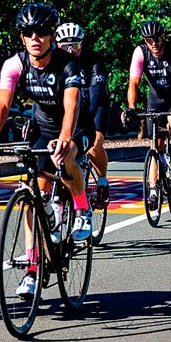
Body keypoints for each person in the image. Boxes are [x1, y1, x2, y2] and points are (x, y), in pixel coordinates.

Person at [0, 3, 95, 298]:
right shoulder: (15, 64)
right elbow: (3, 105)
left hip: (76, 126)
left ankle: (83, 208)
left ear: (51, 35)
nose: (35, 37)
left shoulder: (67, 64)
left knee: (67, 154)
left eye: (42, 32)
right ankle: (33, 269)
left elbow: (71, 105)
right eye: (28, 32)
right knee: (32, 193)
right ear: (22, 37)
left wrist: (65, 138)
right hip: (42, 128)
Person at [125, 20, 171, 209]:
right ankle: (153, 189)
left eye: (156, 39)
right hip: (155, 99)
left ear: (164, 37)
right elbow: (133, 82)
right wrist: (131, 108)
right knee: (155, 146)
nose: (153, 44)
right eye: (148, 40)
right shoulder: (141, 52)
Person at [55, 22, 111, 207]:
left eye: (76, 45)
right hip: (71, 105)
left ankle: (102, 181)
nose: (71, 51)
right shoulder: (55, 61)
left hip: (95, 103)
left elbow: (96, 92)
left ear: (82, 44)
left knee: (95, 145)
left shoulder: (93, 60)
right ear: (57, 46)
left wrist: (87, 118)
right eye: (65, 46)